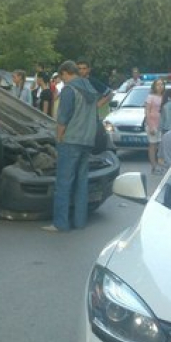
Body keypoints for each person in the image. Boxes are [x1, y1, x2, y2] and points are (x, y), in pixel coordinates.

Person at [42, 60, 99, 232]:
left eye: (62, 77)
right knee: (81, 183)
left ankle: (61, 223)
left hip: (70, 140)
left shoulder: (69, 90)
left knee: (64, 183)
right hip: (87, 140)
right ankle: (80, 221)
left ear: (66, 72)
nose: (62, 81)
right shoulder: (89, 87)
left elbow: (63, 119)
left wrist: (58, 139)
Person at [145, 78, 166, 174]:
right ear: (154, 86)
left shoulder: (164, 97)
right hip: (152, 124)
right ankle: (154, 166)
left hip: (162, 124)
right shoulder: (150, 97)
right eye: (158, 84)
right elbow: (147, 112)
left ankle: (161, 165)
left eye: (162, 84)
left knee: (161, 146)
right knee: (153, 145)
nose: (160, 86)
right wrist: (150, 126)